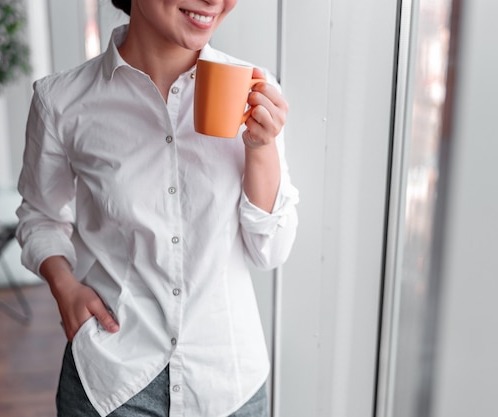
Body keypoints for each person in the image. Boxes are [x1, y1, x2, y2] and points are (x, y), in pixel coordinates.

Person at [15, 0, 299, 416]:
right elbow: (40, 216)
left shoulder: (255, 91)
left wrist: (261, 149)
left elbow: (269, 251)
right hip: (112, 380)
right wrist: (64, 288)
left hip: (227, 384)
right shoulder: (61, 101)